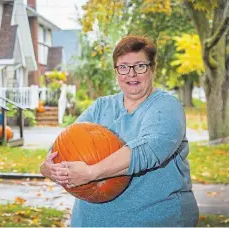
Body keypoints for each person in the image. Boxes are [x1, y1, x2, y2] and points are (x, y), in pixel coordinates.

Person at [40, 35, 199, 227]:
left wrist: (92, 172)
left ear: (152, 68)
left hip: (155, 220)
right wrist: (49, 168)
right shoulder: (101, 106)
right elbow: (64, 143)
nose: (131, 74)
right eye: (123, 67)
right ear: (116, 71)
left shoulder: (166, 106)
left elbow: (148, 150)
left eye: (140, 66)